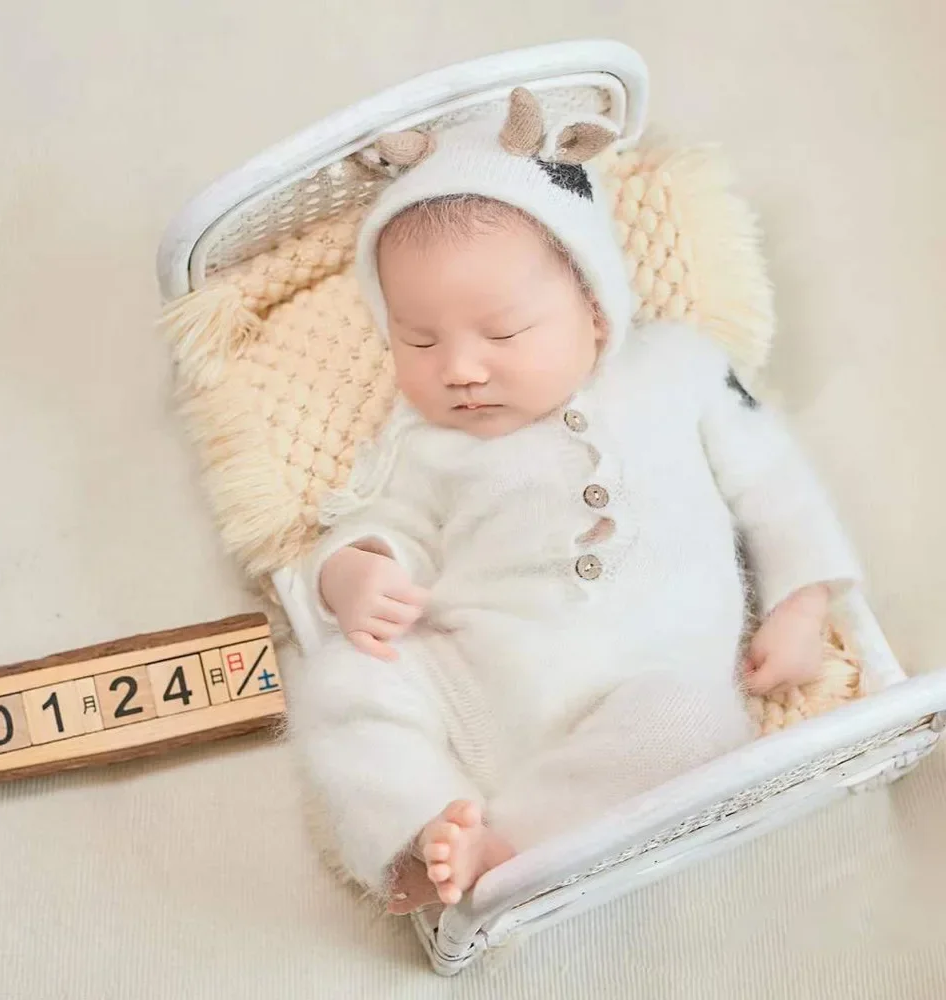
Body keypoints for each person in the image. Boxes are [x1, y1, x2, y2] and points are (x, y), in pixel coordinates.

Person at [284, 88, 861, 913]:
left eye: (504, 332)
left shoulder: (676, 369)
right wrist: (353, 571)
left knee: (697, 728)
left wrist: (800, 607)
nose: (460, 369)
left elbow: (772, 479)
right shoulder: (423, 439)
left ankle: (502, 845)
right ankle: (417, 826)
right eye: (418, 339)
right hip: (473, 684)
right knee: (344, 679)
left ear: (595, 307)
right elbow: (385, 520)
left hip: (641, 685)